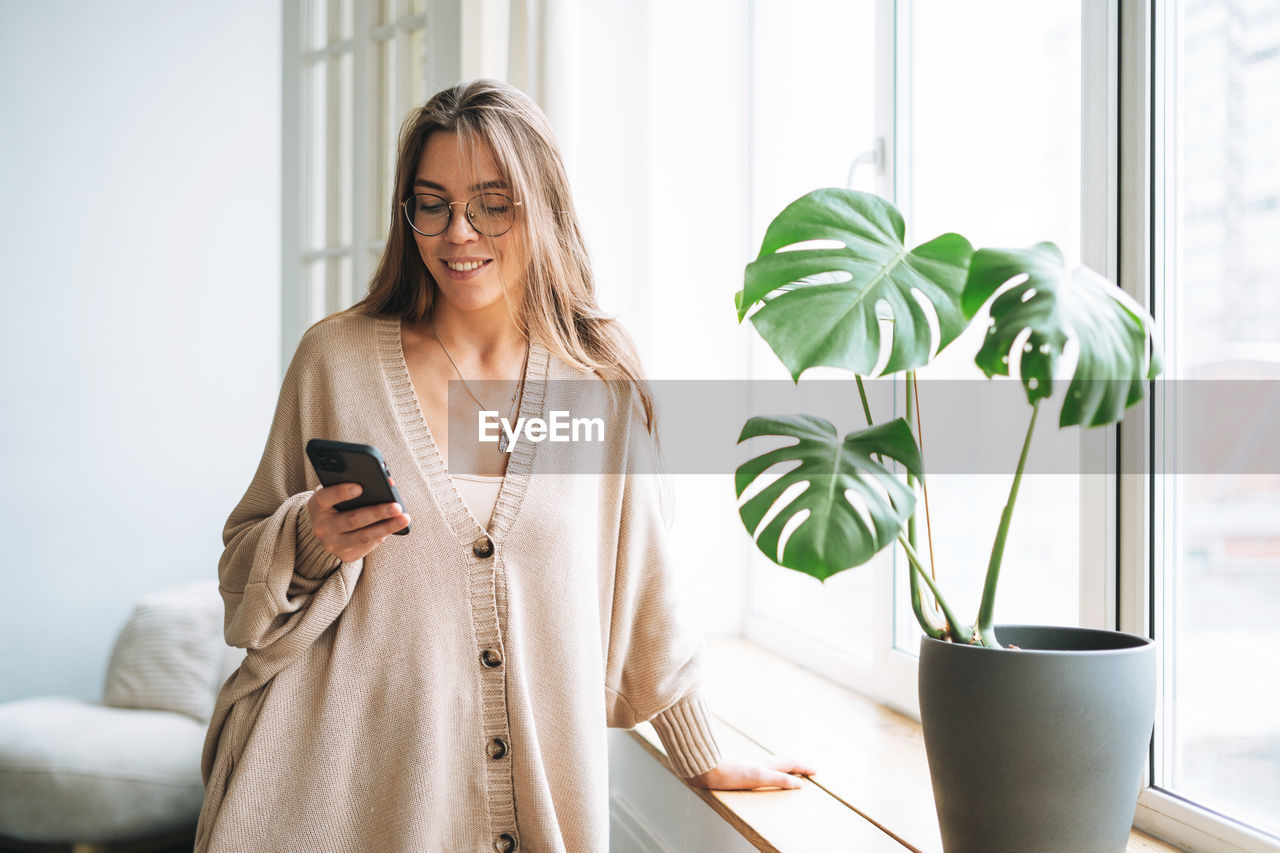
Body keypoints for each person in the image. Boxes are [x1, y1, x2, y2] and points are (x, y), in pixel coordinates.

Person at [194, 78, 814, 853]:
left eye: (493, 202)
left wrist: (704, 753)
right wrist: (313, 535)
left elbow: (643, 585)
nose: (459, 231)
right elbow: (240, 569)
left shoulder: (595, 385)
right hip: (335, 802)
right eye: (433, 202)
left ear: (543, 206)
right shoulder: (337, 361)